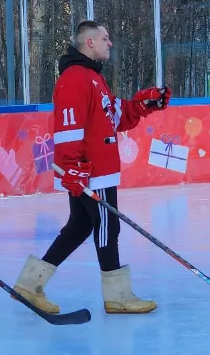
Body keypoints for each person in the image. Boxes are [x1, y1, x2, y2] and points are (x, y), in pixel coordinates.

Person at [11, 20, 171, 314]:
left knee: (79, 226)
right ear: (89, 43)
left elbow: (113, 116)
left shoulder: (92, 77)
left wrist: (143, 104)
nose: (110, 43)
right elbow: (69, 127)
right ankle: (118, 296)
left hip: (93, 170)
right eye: (105, 38)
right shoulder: (76, 78)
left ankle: (29, 285)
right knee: (107, 227)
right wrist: (72, 167)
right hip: (91, 173)